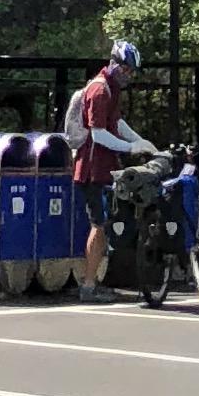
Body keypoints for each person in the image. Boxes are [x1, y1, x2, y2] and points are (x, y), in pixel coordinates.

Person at [65, 38, 151, 292]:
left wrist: (141, 142)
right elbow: (99, 134)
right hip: (92, 169)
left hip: (104, 168)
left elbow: (117, 124)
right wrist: (131, 148)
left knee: (103, 225)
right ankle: (89, 285)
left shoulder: (112, 89)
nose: (128, 75)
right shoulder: (100, 90)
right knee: (98, 226)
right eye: (125, 69)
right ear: (113, 63)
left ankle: (94, 281)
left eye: (131, 71)